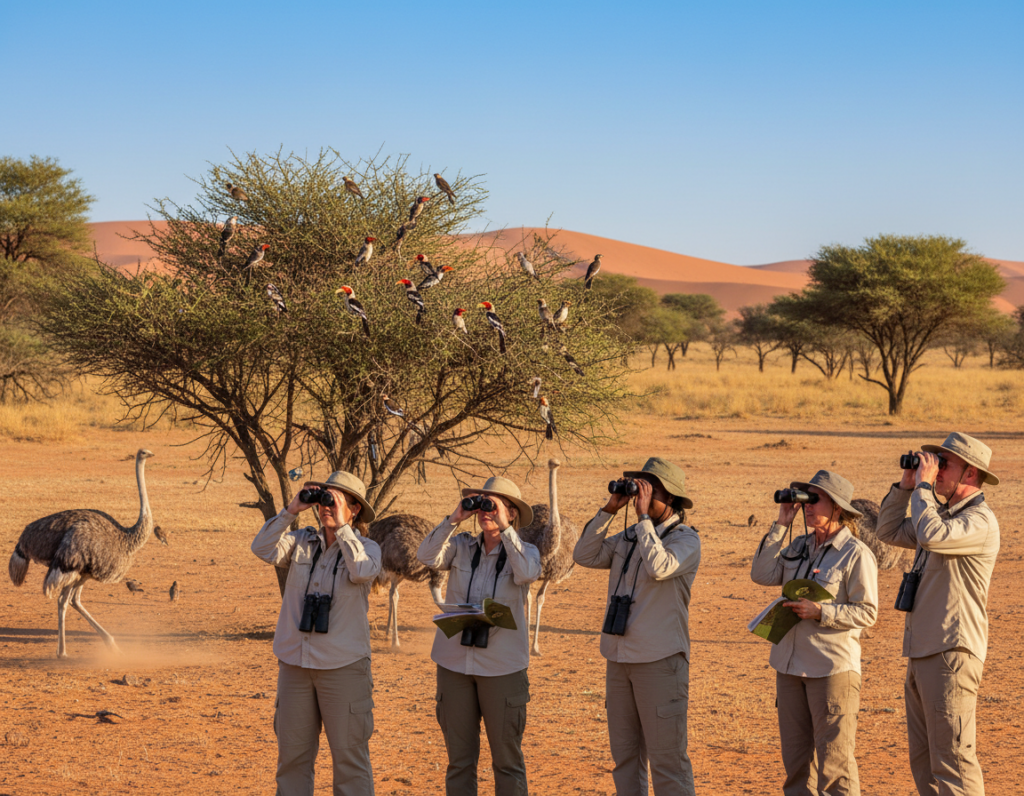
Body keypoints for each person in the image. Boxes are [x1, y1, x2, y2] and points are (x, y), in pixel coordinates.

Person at [875, 433, 1000, 796]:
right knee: (925, 763)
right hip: (923, 650)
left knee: (954, 764)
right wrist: (906, 486)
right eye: (935, 461)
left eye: (945, 464)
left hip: (951, 653)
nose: (936, 469)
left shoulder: (978, 522)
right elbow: (887, 529)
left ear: (971, 474)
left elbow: (932, 536)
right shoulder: (941, 515)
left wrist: (924, 490)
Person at [572, 457, 701, 796]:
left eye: (650, 490)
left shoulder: (686, 540)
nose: (641, 495)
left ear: (670, 498)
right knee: (626, 759)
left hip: (659, 661)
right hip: (619, 658)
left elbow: (660, 567)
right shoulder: (629, 536)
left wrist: (643, 518)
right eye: (638, 488)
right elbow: (584, 555)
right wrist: (611, 508)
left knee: (667, 762)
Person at [251, 471, 382, 796]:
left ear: (354, 509)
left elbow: (362, 571)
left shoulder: (367, 548)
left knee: (350, 764)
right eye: (324, 499)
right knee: (292, 762)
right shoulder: (300, 542)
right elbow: (262, 548)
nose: (326, 506)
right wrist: (292, 510)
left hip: (343, 669)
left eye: (336, 501)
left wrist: (343, 529)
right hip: (295, 667)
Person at [750, 470, 879, 796]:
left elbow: (868, 612)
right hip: (789, 668)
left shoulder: (856, 554)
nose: (807, 506)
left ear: (837, 507)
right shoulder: (798, 545)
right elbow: (762, 573)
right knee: (796, 768)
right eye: (804, 498)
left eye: (814, 499)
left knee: (835, 768)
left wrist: (822, 612)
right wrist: (781, 523)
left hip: (831, 670)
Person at [417, 476, 541, 796]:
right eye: (482, 503)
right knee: (459, 761)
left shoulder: (524, 551)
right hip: (454, 664)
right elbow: (426, 556)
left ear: (512, 513)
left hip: (502, 668)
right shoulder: (460, 547)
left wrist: (506, 530)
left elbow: (527, 573)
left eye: (494, 505)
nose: (485, 510)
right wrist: (455, 518)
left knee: (507, 762)